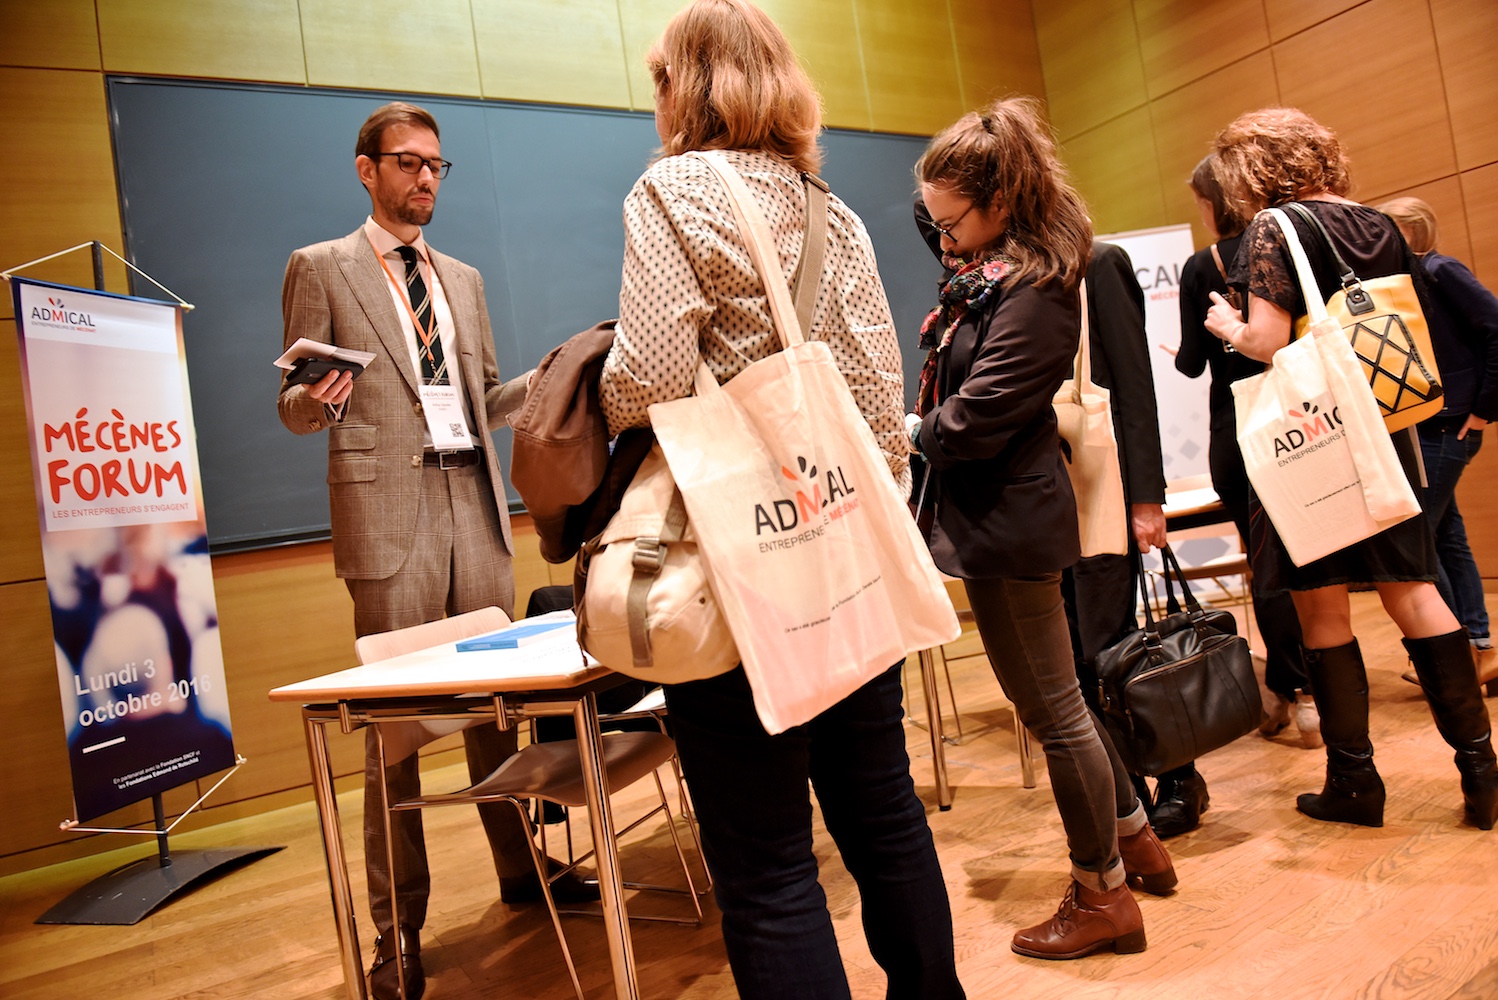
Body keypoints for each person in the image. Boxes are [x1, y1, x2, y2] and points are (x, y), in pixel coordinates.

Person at [596, 3, 964, 996]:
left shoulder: (670, 191)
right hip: (842, 546)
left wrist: (599, 383)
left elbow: (655, 375)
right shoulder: (830, 209)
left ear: (681, 86)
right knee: (884, 812)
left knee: (766, 867)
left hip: (739, 566)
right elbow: (880, 400)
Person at [276, 101, 593, 1000]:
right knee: (396, 734)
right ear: (366, 169)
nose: (425, 178)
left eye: (435, 166)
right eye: (408, 162)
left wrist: (554, 375)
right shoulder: (321, 266)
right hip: (389, 520)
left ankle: (521, 870)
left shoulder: (463, 278)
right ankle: (398, 932)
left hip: (473, 508)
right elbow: (292, 408)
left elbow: (483, 398)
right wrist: (319, 398)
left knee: (497, 713)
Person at [910, 96, 1175, 961]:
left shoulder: (1038, 287)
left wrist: (910, 431)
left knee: (1056, 712)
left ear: (1001, 201)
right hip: (998, 520)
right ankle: (1136, 841)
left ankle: (1103, 894)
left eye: (953, 221)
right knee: (1054, 704)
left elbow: (980, 416)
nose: (942, 238)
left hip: (1011, 521)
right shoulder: (994, 270)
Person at [1204, 107, 1498, 831]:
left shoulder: (1276, 227)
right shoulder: (1379, 224)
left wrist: (1230, 327)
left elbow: (1272, 341)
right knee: (1415, 591)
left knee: (1323, 607)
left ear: (1253, 170)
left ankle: (1355, 782)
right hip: (1388, 433)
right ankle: (1483, 772)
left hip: (1315, 442)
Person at [1177, 153, 1320, 756]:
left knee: (1267, 564)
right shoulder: (1288, 246)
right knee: (1309, 560)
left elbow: (1191, 361)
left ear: (1213, 202)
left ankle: (1293, 692)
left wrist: (1199, 344)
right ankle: (1312, 693)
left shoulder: (1201, 266)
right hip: (1301, 421)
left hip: (1239, 428)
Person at [1373, 197, 1498, 699]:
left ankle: (1454, 656)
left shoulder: (1440, 270)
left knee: (1416, 543)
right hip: (1428, 425)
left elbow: (1496, 329)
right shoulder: (1407, 281)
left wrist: (1484, 408)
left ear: (1411, 231)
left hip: (1448, 427)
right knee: (1447, 536)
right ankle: (1480, 650)